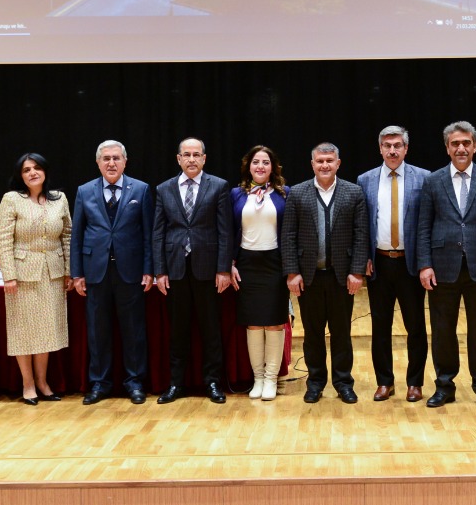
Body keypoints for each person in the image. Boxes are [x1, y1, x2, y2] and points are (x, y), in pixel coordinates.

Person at [416, 120, 476, 409]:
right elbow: (423, 227)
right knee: (443, 330)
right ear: (447, 148)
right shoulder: (433, 181)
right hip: (442, 267)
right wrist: (424, 264)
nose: (461, 148)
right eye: (455, 143)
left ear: (475, 146)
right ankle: (445, 385)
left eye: (466, 143)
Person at [282, 142, 369, 404]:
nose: (325, 165)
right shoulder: (297, 193)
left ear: (338, 163)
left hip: (342, 277)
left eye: (330, 160)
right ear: (312, 164)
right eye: (320, 161)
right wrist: (292, 272)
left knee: (342, 332)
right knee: (313, 333)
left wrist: (357, 272)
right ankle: (316, 382)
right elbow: (288, 235)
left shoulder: (354, 193)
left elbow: (361, 234)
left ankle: (343, 382)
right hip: (309, 277)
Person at [70, 140, 154, 405]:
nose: (111, 163)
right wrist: (77, 273)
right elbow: (77, 234)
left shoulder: (140, 189)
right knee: (98, 331)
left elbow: (149, 234)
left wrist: (149, 269)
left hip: (130, 273)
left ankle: (135, 382)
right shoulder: (84, 191)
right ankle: (100, 383)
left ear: (125, 161)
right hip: (96, 272)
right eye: (106, 158)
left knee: (133, 331)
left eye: (116, 158)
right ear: (98, 162)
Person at [151, 138, 234, 404]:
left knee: (210, 329)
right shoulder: (164, 189)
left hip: (208, 270)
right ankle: (176, 384)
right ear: (178, 159)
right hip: (175, 269)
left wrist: (223, 269)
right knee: (178, 331)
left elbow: (225, 231)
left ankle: (212, 382)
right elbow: (158, 233)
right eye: (186, 155)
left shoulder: (218, 186)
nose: (191, 159)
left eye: (196, 154)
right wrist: (159, 271)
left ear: (204, 158)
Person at [357, 125, 431, 402]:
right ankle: (384, 381)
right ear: (380, 148)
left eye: (397, 145)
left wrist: (425, 262)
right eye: (387, 145)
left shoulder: (424, 178)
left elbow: (426, 225)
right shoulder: (365, 180)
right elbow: (363, 224)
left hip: (410, 264)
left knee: (416, 326)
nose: (392, 150)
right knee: (380, 326)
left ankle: (415, 382)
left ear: (406, 148)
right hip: (379, 262)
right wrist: (363, 256)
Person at [0, 152, 72, 404]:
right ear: (20, 175)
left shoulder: (59, 199)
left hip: (52, 272)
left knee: (46, 330)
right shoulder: (11, 200)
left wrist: (69, 271)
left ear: (45, 171)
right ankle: (28, 384)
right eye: (26, 169)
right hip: (22, 273)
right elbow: (4, 240)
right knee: (23, 330)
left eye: (37, 168)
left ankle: (43, 381)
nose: (32, 173)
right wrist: (9, 275)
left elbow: (68, 237)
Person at [231, 146, 289, 399]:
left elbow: (289, 232)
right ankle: (257, 378)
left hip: (275, 264)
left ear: (273, 167)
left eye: (266, 162)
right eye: (256, 162)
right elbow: (229, 230)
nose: (261, 167)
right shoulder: (235, 194)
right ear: (249, 166)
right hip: (246, 264)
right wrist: (230, 263)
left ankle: (271, 379)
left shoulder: (285, 194)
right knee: (253, 323)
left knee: (275, 323)